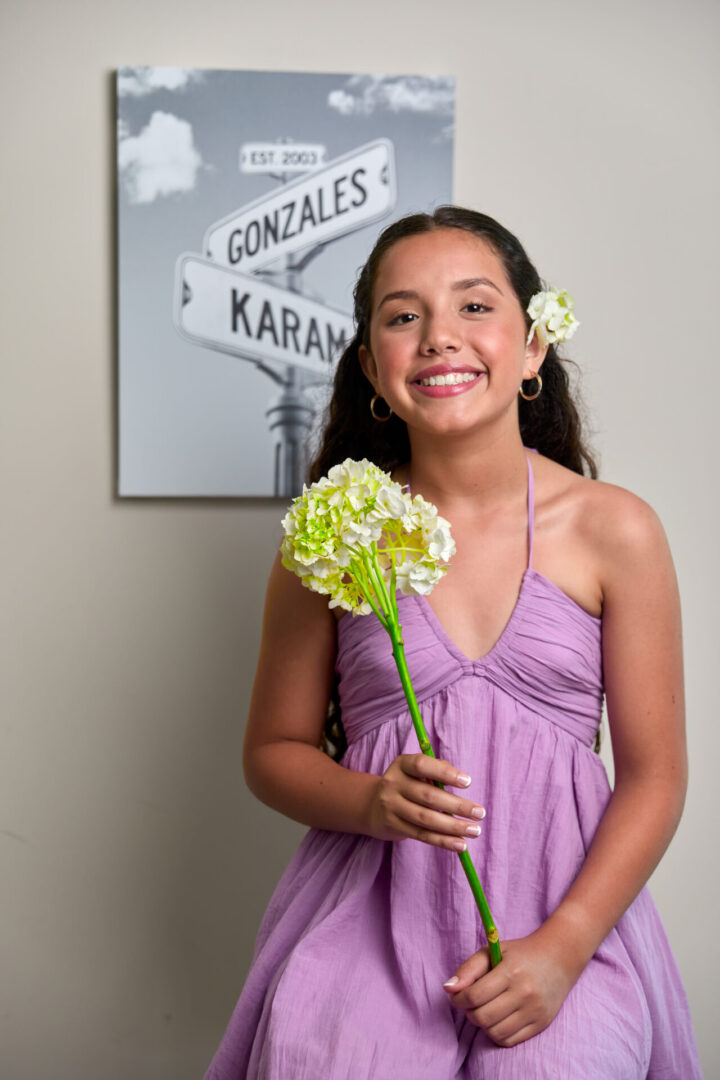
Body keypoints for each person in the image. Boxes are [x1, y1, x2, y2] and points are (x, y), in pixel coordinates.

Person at [204, 206, 703, 1078]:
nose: (440, 338)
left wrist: (565, 946)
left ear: (534, 346)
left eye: (475, 307)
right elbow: (270, 751)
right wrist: (367, 803)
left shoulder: (615, 530)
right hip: (366, 924)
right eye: (403, 316)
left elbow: (657, 777)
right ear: (371, 365)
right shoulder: (331, 536)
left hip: (567, 928)